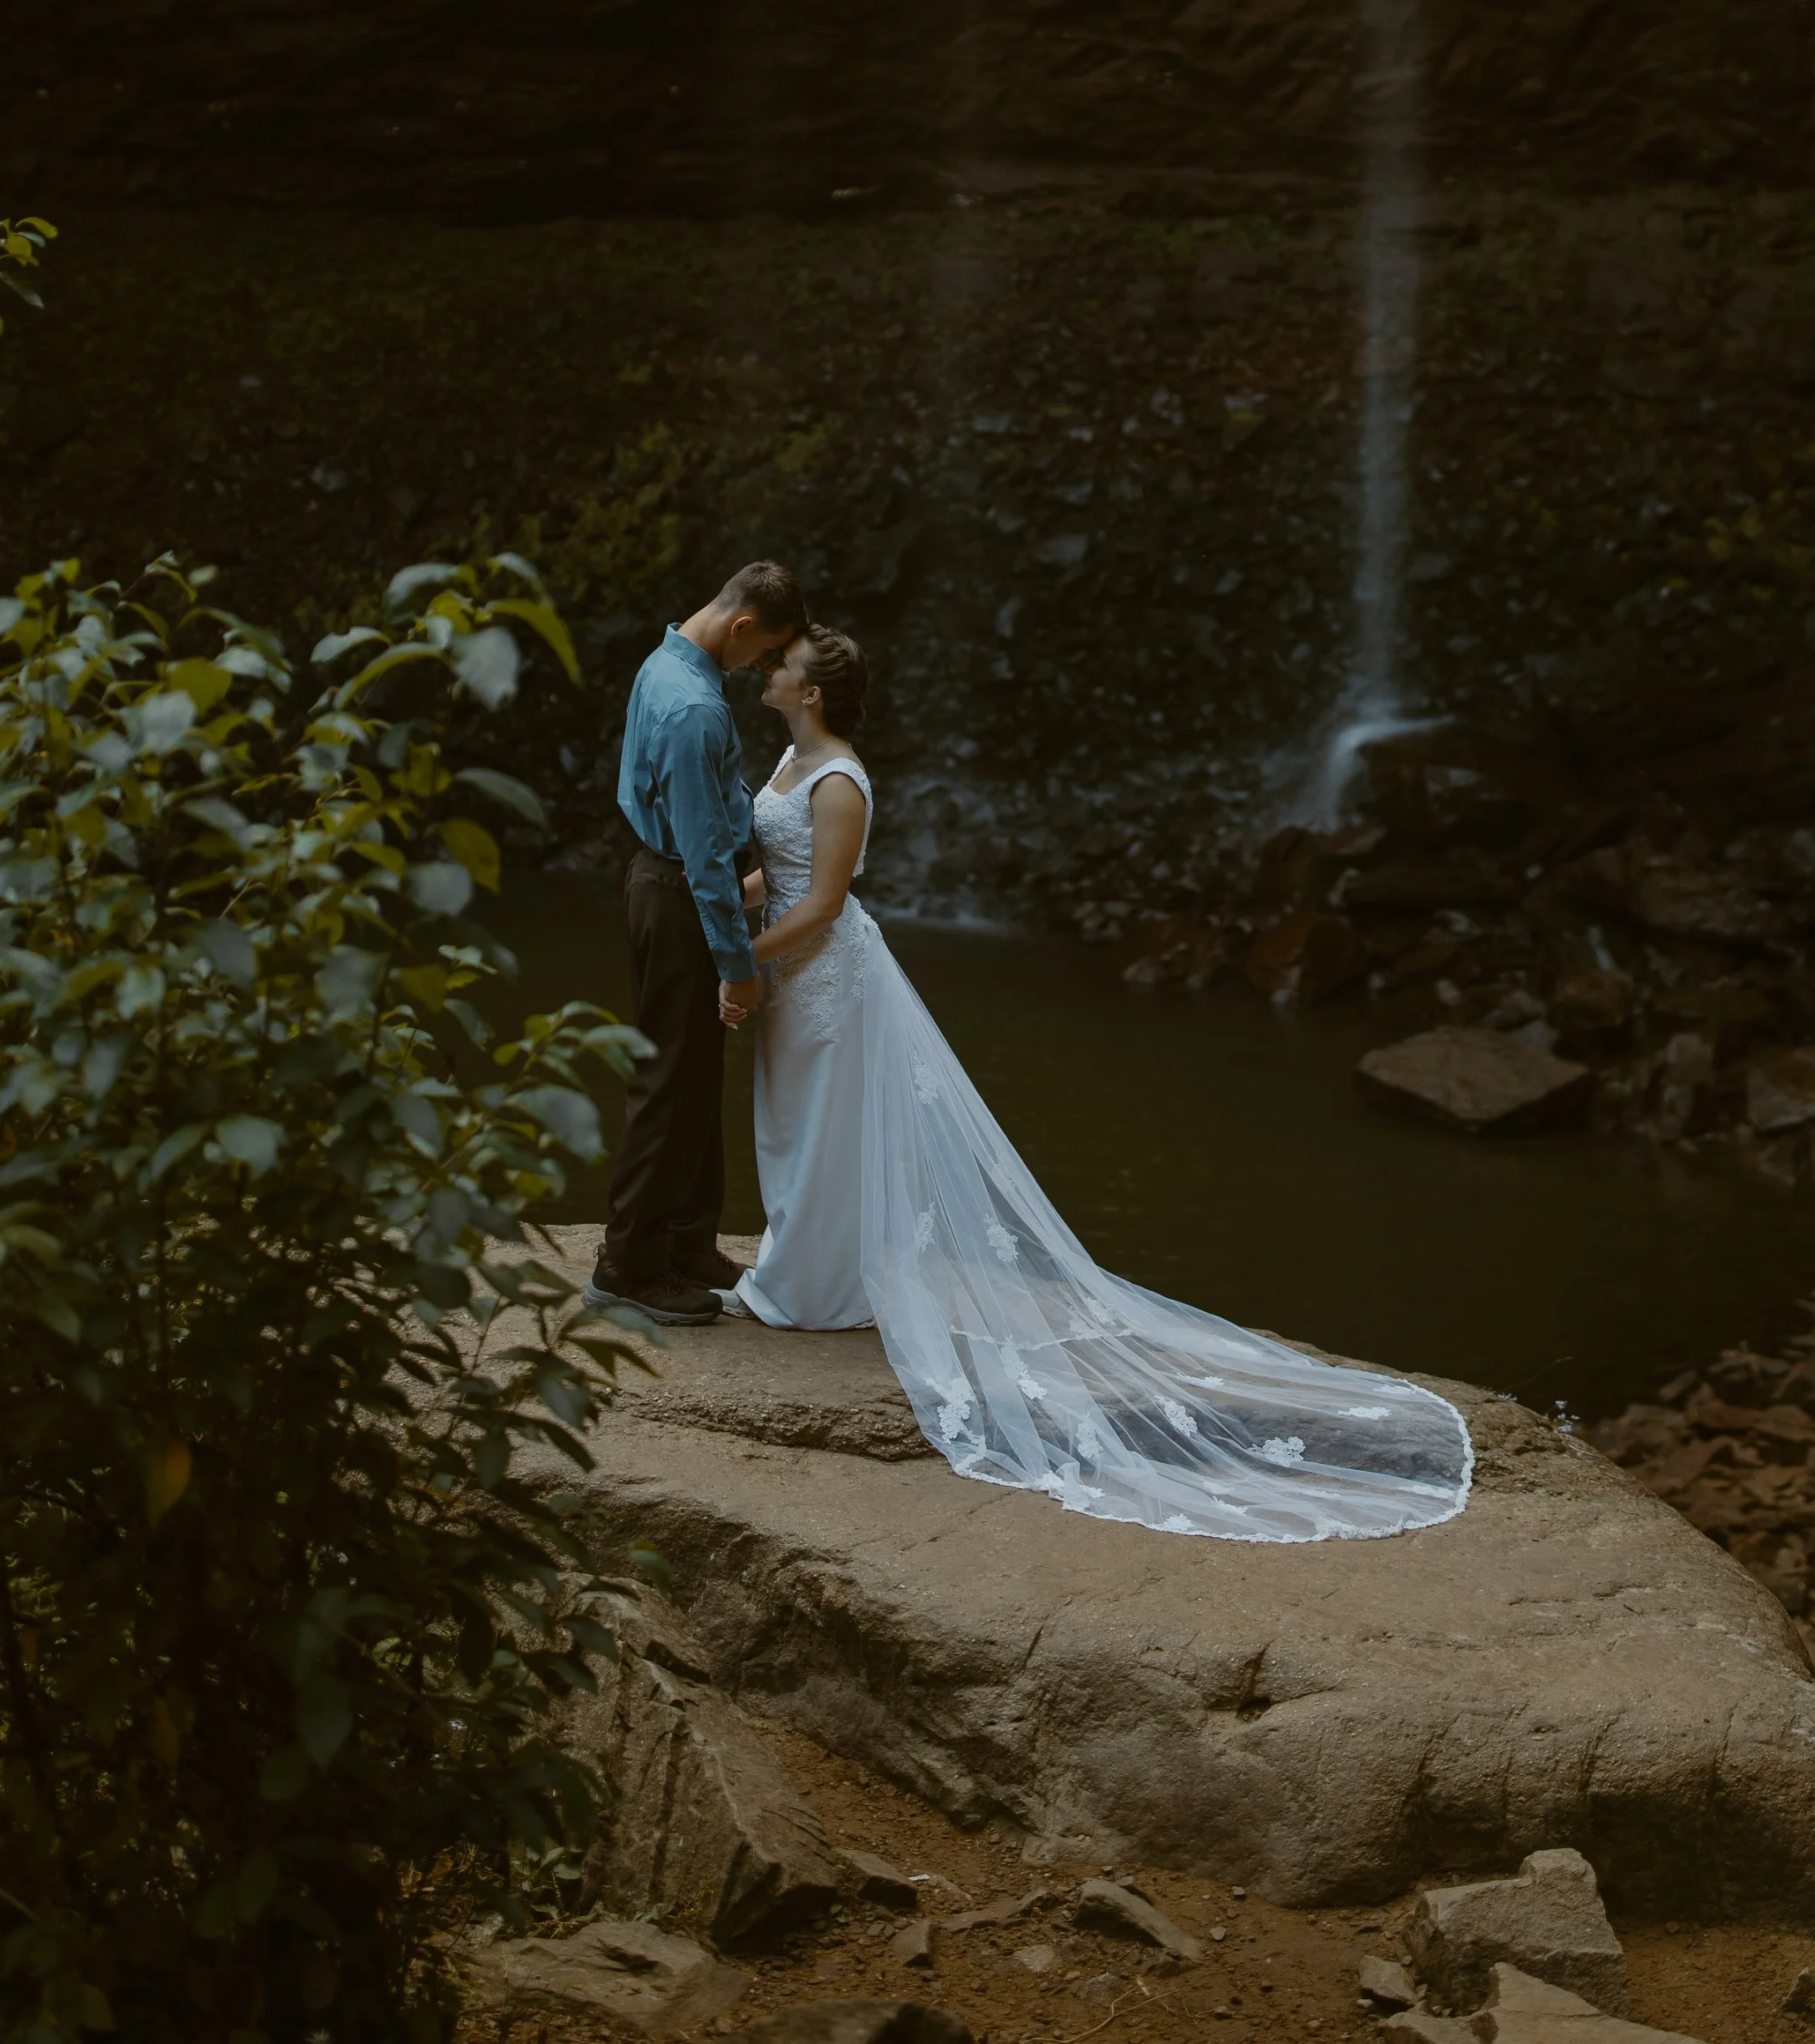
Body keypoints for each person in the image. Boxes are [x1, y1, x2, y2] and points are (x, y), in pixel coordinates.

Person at [708, 621, 1473, 1546]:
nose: (766, 671)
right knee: (791, 1125)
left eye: (780, 665)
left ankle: (818, 1288)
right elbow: (776, 874)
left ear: (812, 689)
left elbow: (824, 905)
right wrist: (718, 913)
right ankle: (800, 1270)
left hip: (824, 978)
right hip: (791, 975)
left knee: (827, 1128)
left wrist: (738, 959)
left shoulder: (838, 780)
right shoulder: (790, 763)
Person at [584, 560, 807, 1326]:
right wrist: (739, 966)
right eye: (765, 653)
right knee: (668, 1080)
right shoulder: (693, 709)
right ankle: (627, 1266)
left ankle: (685, 1239)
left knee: (694, 1075)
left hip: (668, 885)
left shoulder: (670, 659)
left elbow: (712, 801)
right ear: (742, 627)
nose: (764, 669)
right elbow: (707, 858)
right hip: (679, 892)